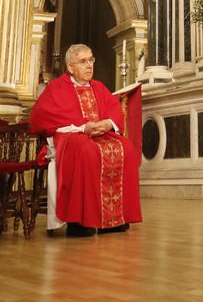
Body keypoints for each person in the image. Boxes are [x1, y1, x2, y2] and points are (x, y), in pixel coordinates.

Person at [30, 44, 142, 237]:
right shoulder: (57, 87)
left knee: (126, 147)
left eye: (91, 60)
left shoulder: (98, 86)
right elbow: (41, 117)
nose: (89, 65)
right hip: (70, 136)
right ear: (70, 67)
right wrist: (82, 127)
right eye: (83, 61)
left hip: (99, 134)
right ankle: (79, 221)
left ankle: (114, 220)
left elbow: (113, 110)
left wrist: (108, 123)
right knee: (86, 151)